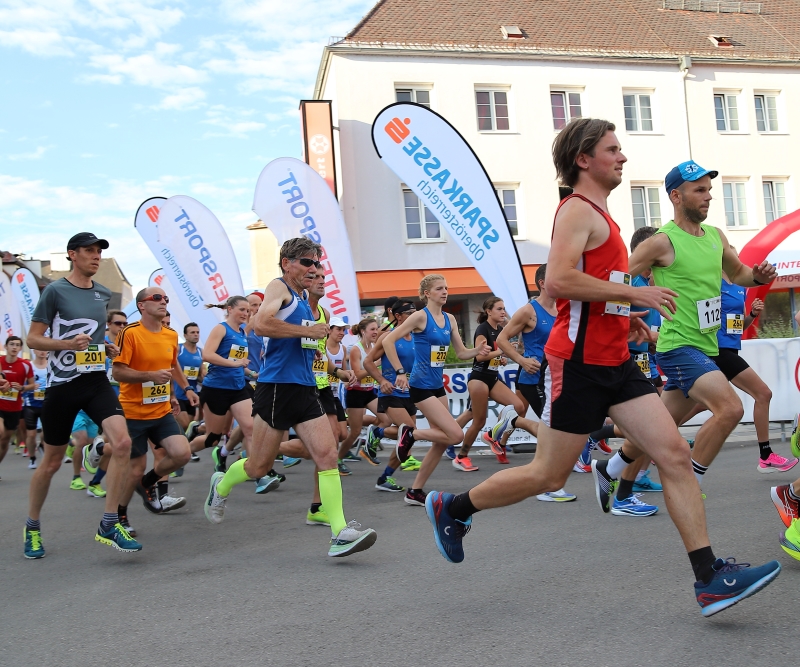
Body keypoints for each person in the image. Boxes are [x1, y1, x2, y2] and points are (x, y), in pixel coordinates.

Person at [424, 119, 780, 617]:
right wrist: (632, 292)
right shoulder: (574, 210)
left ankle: (710, 578)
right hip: (578, 365)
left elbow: (595, 287)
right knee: (548, 476)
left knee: (675, 457)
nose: (623, 157)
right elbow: (562, 282)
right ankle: (453, 508)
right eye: (613, 149)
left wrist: (624, 314)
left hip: (615, 360)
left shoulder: (604, 217)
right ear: (583, 160)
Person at [203, 237, 377, 558]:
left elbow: (313, 350)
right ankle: (222, 484)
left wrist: (329, 365)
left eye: (317, 263)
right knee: (258, 467)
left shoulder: (313, 305)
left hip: (306, 388)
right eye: (307, 263)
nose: (314, 268)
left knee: (327, 456)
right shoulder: (279, 287)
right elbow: (261, 324)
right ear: (287, 263)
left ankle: (340, 531)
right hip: (276, 388)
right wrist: (306, 332)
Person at [621, 161, 781, 489]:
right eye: (700, 190)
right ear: (676, 196)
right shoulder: (661, 241)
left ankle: (614, 473)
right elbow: (616, 281)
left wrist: (756, 278)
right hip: (678, 345)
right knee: (730, 408)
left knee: (659, 426)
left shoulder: (715, 236)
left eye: (709, 190)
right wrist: (629, 311)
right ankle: (688, 481)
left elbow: (738, 274)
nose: (708, 197)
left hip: (706, 346)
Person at [25, 232, 140, 557]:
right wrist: (66, 344)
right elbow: (34, 339)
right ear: (72, 255)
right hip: (62, 386)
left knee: (122, 442)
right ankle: (32, 526)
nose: (96, 257)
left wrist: (103, 345)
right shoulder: (55, 291)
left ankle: (108, 522)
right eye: (89, 251)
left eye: (99, 252)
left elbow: (91, 336)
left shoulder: (103, 293)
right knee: (50, 463)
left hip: (94, 382)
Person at [383, 274, 490, 506]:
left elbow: (461, 353)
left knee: (441, 442)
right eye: (439, 288)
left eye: (446, 288)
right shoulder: (420, 317)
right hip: (420, 387)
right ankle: (411, 433)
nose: (445, 292)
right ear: (427, 294)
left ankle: (415, 491)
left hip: (437, 386)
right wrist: (400, 371)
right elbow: (387, 341)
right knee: (455, 435)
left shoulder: (450, 319)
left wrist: (478, 350)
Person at [491, 264, 575, 502]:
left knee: (558, 428)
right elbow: (502, 338)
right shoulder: (529, 311)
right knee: (552, 431)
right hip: (533, 377)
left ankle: (512, 420)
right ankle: (548, 486)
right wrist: (521, 359)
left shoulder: (562, 309)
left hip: (556, 377)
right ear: (542, 283)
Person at [713, 264, 795, 472]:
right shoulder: (713, 282)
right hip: (717, 349)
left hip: (731, 348)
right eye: (730, 255)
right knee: (763, 393)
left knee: (698, 405)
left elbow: (738, 327)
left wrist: (752, 314)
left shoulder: (741, 287)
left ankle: (650, 439)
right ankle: (765, 454)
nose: (735, 260)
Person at [453, 297, 523, 471]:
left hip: (492, 377)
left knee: (518, 406)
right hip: (479, 378)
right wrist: (502, 351)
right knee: (479, 420)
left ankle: (493, 435)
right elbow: (479, 356)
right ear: (489, 311)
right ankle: (461, 457)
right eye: (499, 309)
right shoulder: (482, 329)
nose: (503, 312)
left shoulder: (499, 330)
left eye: (504, 308)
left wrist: (501, 359)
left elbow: (493, 357)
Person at [363, 298, 418, 492]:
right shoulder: (389, 337)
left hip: (410, 393)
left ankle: (384, 478)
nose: (414, 317)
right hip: (391, 392)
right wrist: (382, 381)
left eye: (415, 313)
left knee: (408, 438)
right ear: (398, 316)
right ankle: (376, 431)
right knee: (409, 430)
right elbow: (368, 362)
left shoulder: (417, 336)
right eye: (409, 314)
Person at [338, 317, 381, 474]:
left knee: (385, 419)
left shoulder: (375, 347)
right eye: (372, 329)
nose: (375, 332)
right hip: (355, 393)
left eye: (377, 329)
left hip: (369, 391)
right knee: (355, 432)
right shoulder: (356, 349)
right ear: (363, 331)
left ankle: (368, 447)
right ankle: (338, 458)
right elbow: (358, 374)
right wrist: (374, 365)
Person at [0, 336, 34, 475]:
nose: (14, 347)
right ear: (6, 346)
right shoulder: (0, 362)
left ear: (20, 348)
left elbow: (32, 385)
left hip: (14, 407)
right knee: (0, 432)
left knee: (5, 440)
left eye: (17, 345)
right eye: (12, 344)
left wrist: (21, 388)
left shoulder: (25, 365)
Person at [174, 322, 205, 432]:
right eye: (192, 332)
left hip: (192, 395)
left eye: (197, 332)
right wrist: (180, 375)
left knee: (188, 427)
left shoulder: (201, 352)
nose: (196, 335)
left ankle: (185, 447)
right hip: (178, 393)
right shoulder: (179, 349)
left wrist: (204, 378)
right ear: (185, 335)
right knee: (185, 424)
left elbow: (201, 376)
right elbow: (169, 366)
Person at [22, 349, 48, 470]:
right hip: (30, 404)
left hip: (46, 403)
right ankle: (32, 458)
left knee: (46, 432)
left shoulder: (50, 365)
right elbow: (23, 383)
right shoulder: (29, 366)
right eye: (40, 349)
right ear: (34, 350)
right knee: (31, 434)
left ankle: (42, 445)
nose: (42, 352)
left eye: (45, 350)